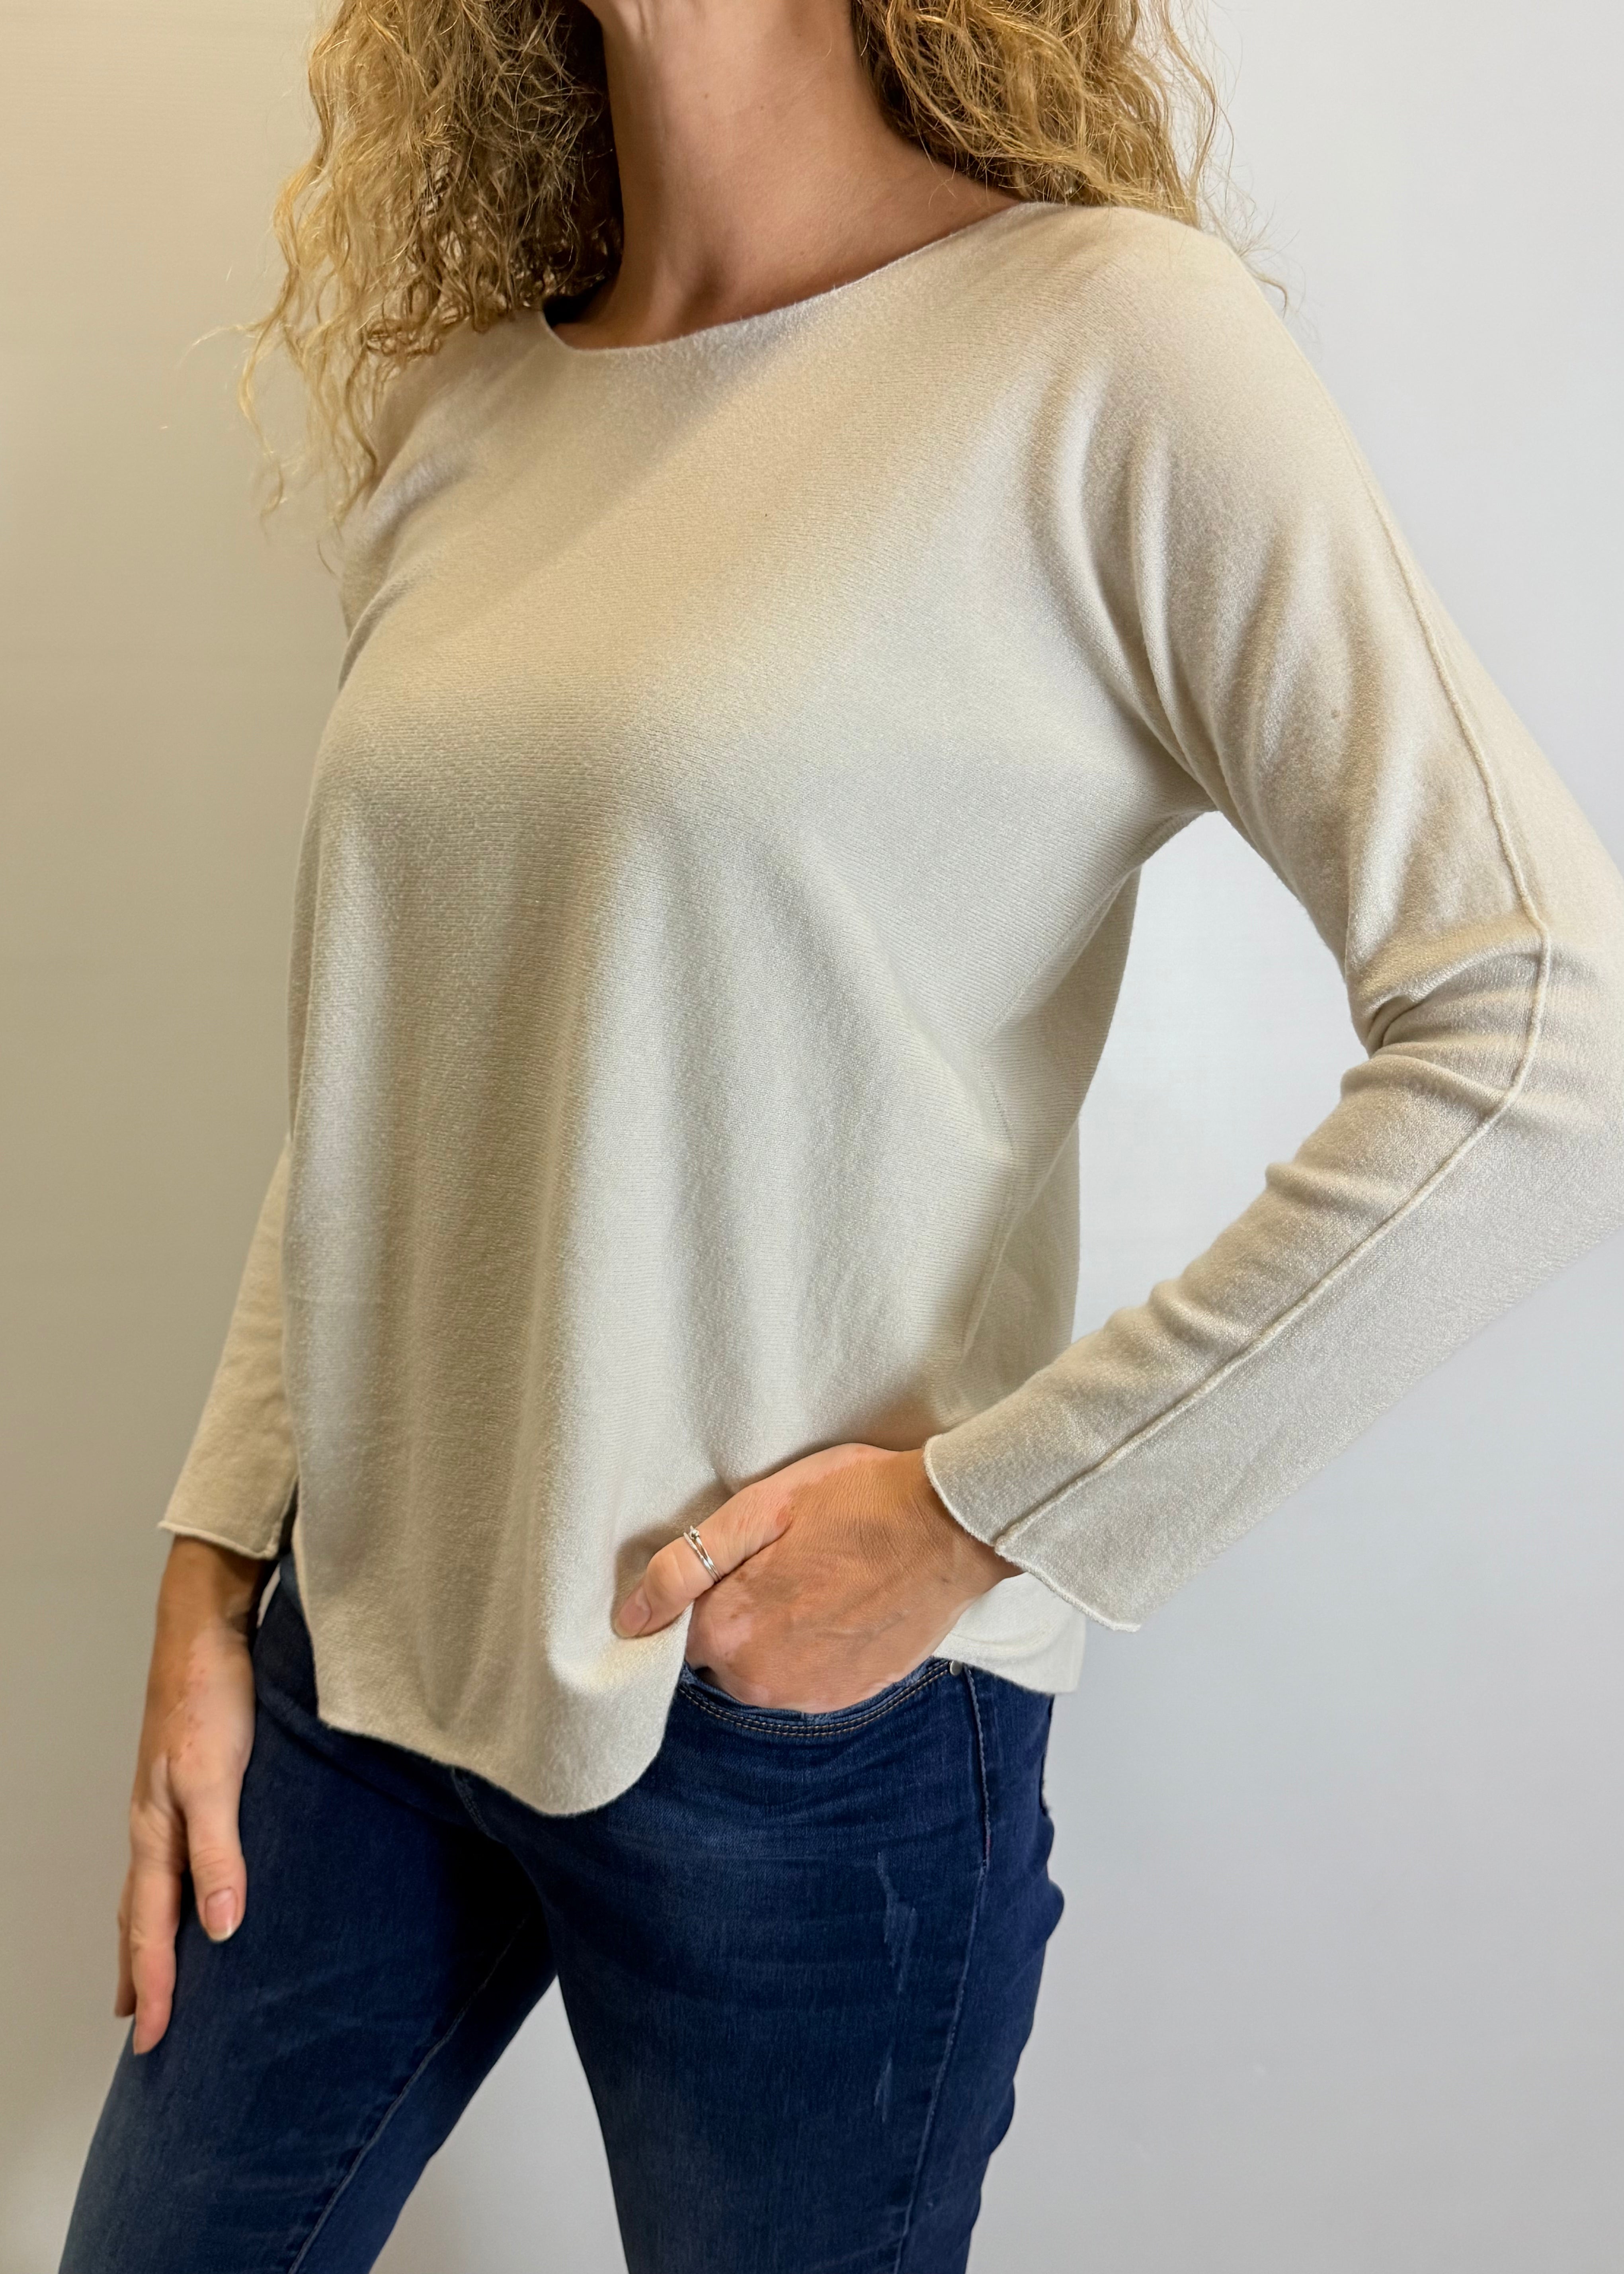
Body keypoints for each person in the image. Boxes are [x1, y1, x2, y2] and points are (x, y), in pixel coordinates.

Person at [62, 0, 1624, 2268]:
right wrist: (215, 1569)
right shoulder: (462, 408)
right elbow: (402, 1077)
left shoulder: (1107, 350)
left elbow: (1537, 1029)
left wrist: (993, 1513)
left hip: (793, 1742)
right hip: (363, 1679)